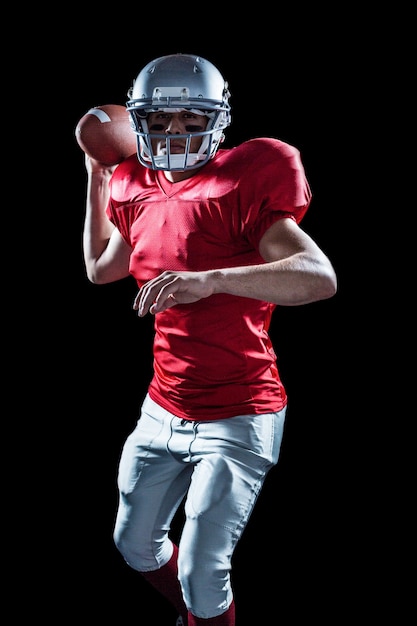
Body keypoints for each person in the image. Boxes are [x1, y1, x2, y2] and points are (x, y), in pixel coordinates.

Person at [81, 53, 337, 626]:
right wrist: (97, 176)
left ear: (217, 121)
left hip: (240, 410)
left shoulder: (242, 180)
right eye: (162, 122)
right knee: (134, 545)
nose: (175, 135)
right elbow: (100, 267)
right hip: (163, 404)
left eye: (191, 121)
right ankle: (192, 619)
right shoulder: (135, 187)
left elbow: (321, 276)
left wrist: (212, 280)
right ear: (140, 124)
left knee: (202, 569)